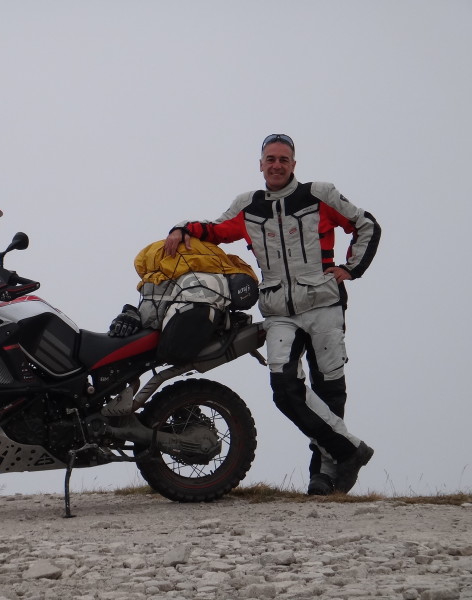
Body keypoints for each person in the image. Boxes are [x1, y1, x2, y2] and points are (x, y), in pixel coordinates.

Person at [163, 134, 381, 495]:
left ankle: (324, 475)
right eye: (270, 159)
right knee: (284, 390)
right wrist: (182, 228)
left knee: (329, 389)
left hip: (324, 304)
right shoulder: (247, 205)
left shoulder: (320, 194)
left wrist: (350, 269)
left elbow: (366, 224)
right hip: (278, 310)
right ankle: (351, 451)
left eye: (283, 159)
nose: (276, 165)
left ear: (293, 164)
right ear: (260, 164)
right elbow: (214, 231)